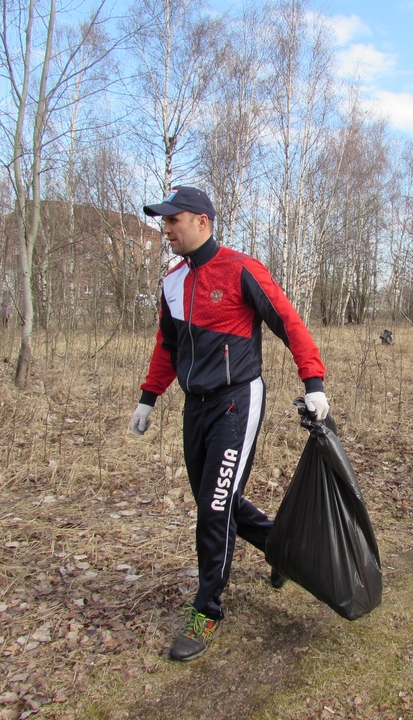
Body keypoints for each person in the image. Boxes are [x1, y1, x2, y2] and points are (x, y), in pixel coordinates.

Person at [129, 186, 330, 662]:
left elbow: (289, 321)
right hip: (195, 406)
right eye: (163, 220)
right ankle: (281, 550)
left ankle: (207, 610)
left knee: (214, 507)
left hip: (238, 401)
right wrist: (148, 397)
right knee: (215, 498)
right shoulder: (172, 282)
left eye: (172, 220)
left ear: (202, 221)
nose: (165, 228)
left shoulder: (241, 269)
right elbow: (167, 346)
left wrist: (314, 381)